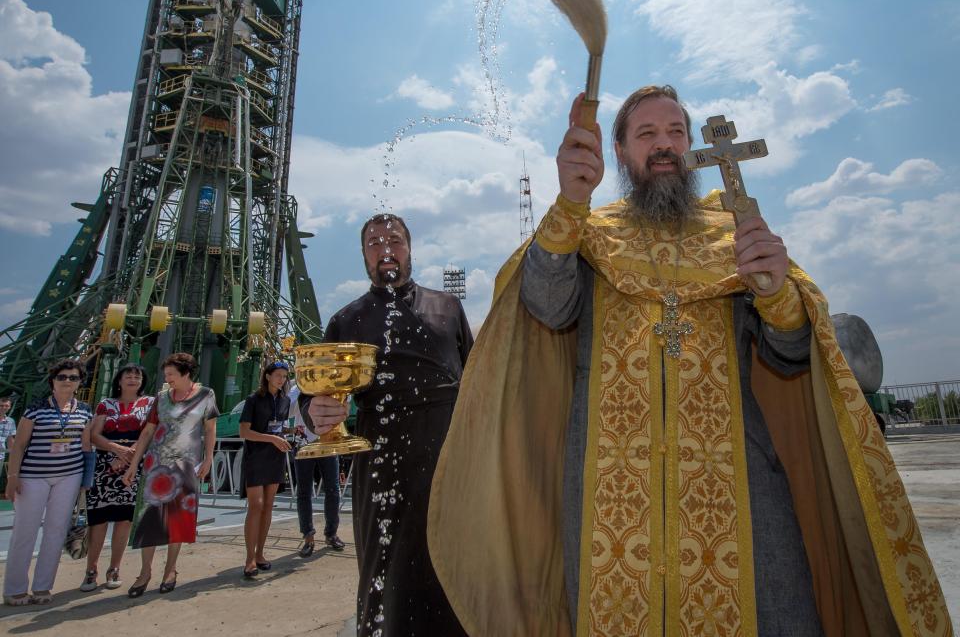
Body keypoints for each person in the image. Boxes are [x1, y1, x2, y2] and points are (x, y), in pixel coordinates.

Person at [428, 88, 952, 636]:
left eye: (676, 132)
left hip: (741, 500)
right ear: (621, 151)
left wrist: (778, 298)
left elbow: (792, 358)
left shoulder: (737, 236)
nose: (664, 146)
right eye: (647, 134)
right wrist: (569, 203)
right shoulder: (588, 234)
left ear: (692, 149)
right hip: (613, 506)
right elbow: (547, 306)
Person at [303, 213, 474, 637]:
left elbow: (476, 379)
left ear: (409, 248)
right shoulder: (347, 320)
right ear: (364, 256)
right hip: (381, 458)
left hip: (446, 456)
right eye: (374, 244)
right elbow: (317, 389)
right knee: (385, 566)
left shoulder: (448, 307)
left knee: (452, 560)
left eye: (394, 241)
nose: (385, 251)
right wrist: (316, 409)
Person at [122, 352, 218, 597]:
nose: (167, 379)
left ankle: (171, 569)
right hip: (156, 465)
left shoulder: (206, 395)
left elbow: (210, 429)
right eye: (166, 375)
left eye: (171, 375)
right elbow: (147, 432)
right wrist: (134, 463)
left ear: (186, 374)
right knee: (149, 519)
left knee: (178, 519)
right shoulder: (161, 398)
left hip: (187, 465)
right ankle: (145, 572)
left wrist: (208, 458)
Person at [3, 359, 93, 606]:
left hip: (69, 476)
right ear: (53, 380)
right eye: (62, 377)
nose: (67, 381)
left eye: (73, 378)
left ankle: (43, 587)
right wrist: (13, 478)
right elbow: (19, 446)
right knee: (25, 531)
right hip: (33, 476)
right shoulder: (35, 409)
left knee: (55, 531)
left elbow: (86, 447)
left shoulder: (85, 410)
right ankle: (15, 588)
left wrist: (86, 481)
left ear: (79, 382)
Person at [80, 363, 154, 592]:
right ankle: (91, 570)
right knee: (98, 520)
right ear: (119, 380)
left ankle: (114, 568)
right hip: (105, 466)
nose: (133, 379)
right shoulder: (106, 404)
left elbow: (148, 433)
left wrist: (129, 455)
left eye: (137, 375)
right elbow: (94, 434)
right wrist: (115, 449)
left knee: (124, 520)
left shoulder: (150, 404)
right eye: (128, 375)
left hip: (134, 465)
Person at [238, 361, 292, 578]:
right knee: (256, 505)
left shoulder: (285, 401)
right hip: (256, 456)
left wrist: (289, 431)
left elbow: (278, 425)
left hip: (275, 457)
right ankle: (249, 557)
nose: (282, 379)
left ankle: (260, 553)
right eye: (278, 375)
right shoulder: (253, 400)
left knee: (269, 505)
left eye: (285, 376)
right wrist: (270, 438)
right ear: (268, 376)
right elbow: (244, 431)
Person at [288, 379, 344, 557]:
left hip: (327, 443)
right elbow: (287, 411)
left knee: (333, 489)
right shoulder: (296, 387)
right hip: (303, 443)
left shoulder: (328, 384)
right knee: (304, 491)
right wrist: (300, 389)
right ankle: (308, 536)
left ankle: (331, 533)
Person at [0, 395, 16, 496]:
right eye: (1, 405)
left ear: (9, 407)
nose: (3, 408)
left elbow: (10, 440)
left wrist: (15, 454)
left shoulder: (10, 421)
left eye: (6, 406)